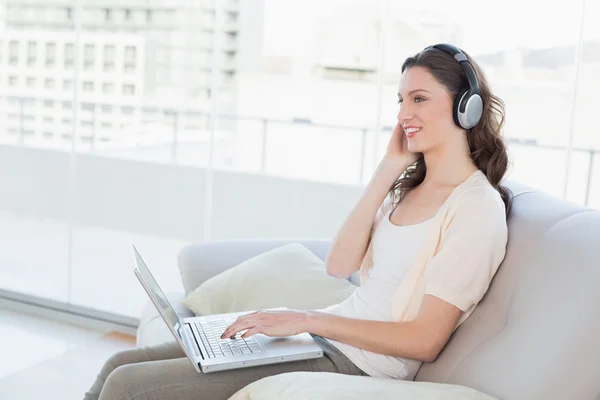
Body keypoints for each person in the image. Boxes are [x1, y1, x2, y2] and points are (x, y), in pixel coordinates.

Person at [84, 44, 511, 400]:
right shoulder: (407, 189)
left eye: (419, 98)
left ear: (465, 108)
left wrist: (306, 319)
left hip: (357, 364)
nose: (403, 113)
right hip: (323, 340)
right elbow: (339, 265)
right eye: (401, 100)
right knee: (117, 362)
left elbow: (424, 339)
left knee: (127, 386)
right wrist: (388, 168)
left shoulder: (476, 208)